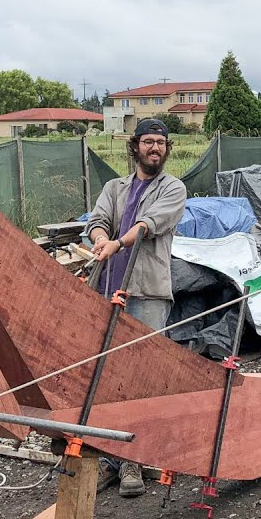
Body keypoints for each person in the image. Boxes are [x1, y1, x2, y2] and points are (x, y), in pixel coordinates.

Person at [84, 117, 187, 497]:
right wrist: (99, 239)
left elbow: (149, 223)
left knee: (141, 375)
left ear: (166, 148)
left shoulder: (173, 188)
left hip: (146, 293)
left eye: (161, 143)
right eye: (148, 142)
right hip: (108, 290)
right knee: (106, 376)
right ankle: (111, 457)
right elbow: (98, 221)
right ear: (135, 146)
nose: (155, 148)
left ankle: (135, 461)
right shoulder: (115, 187)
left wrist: (117, 243)